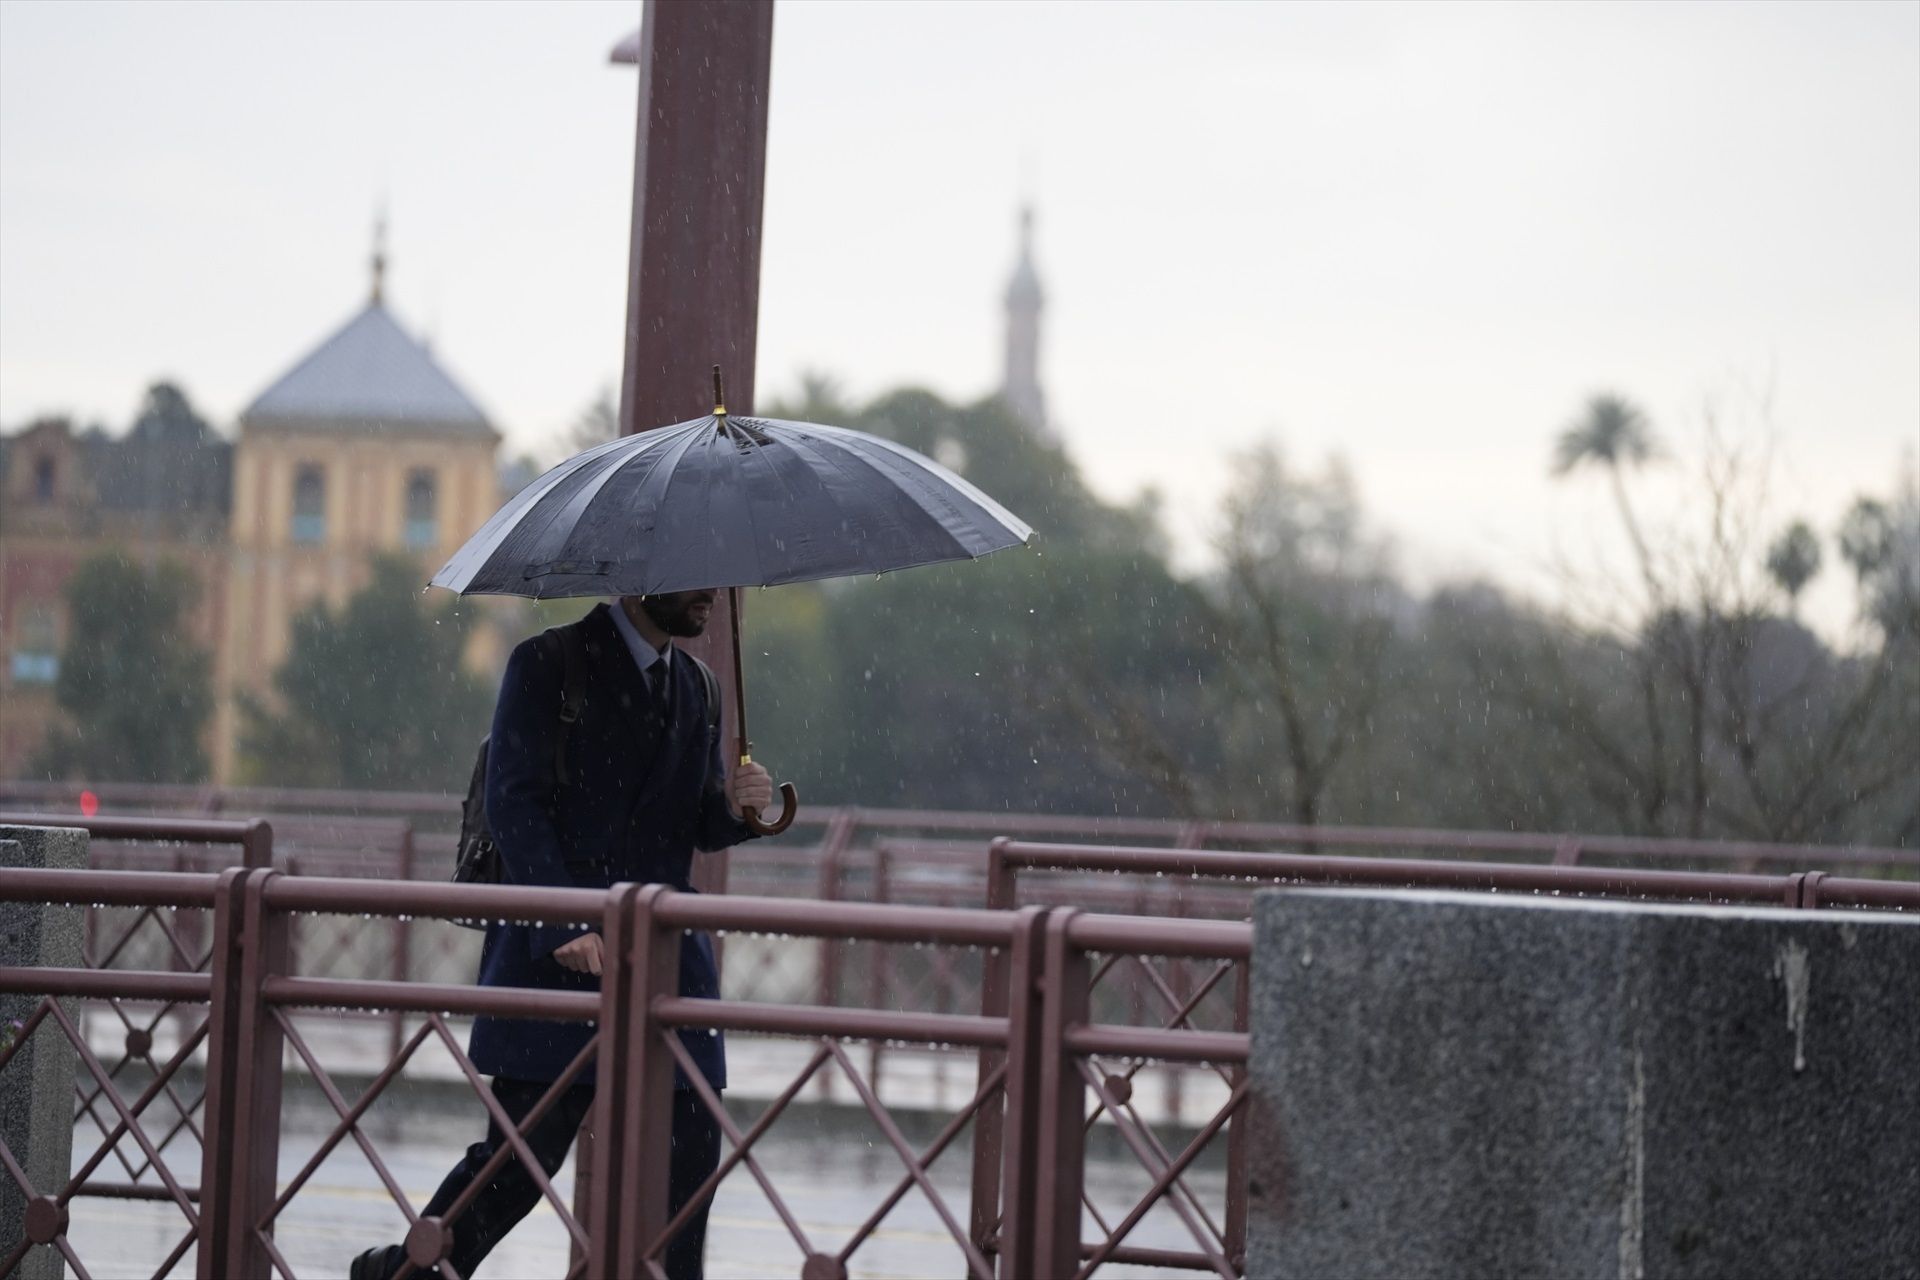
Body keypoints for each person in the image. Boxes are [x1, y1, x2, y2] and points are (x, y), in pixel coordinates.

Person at [352, 589, 772, 1280]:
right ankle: (406, 1275)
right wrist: (562, 920)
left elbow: (695, 822)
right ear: (639, 577)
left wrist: (738, 810)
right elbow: (511, 801)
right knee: (521, 1161)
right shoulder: (550, 662)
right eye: (691, 574)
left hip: (667, 955)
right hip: (560, 954)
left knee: (691, 1156)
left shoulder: (699, 686)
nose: (707, 592)